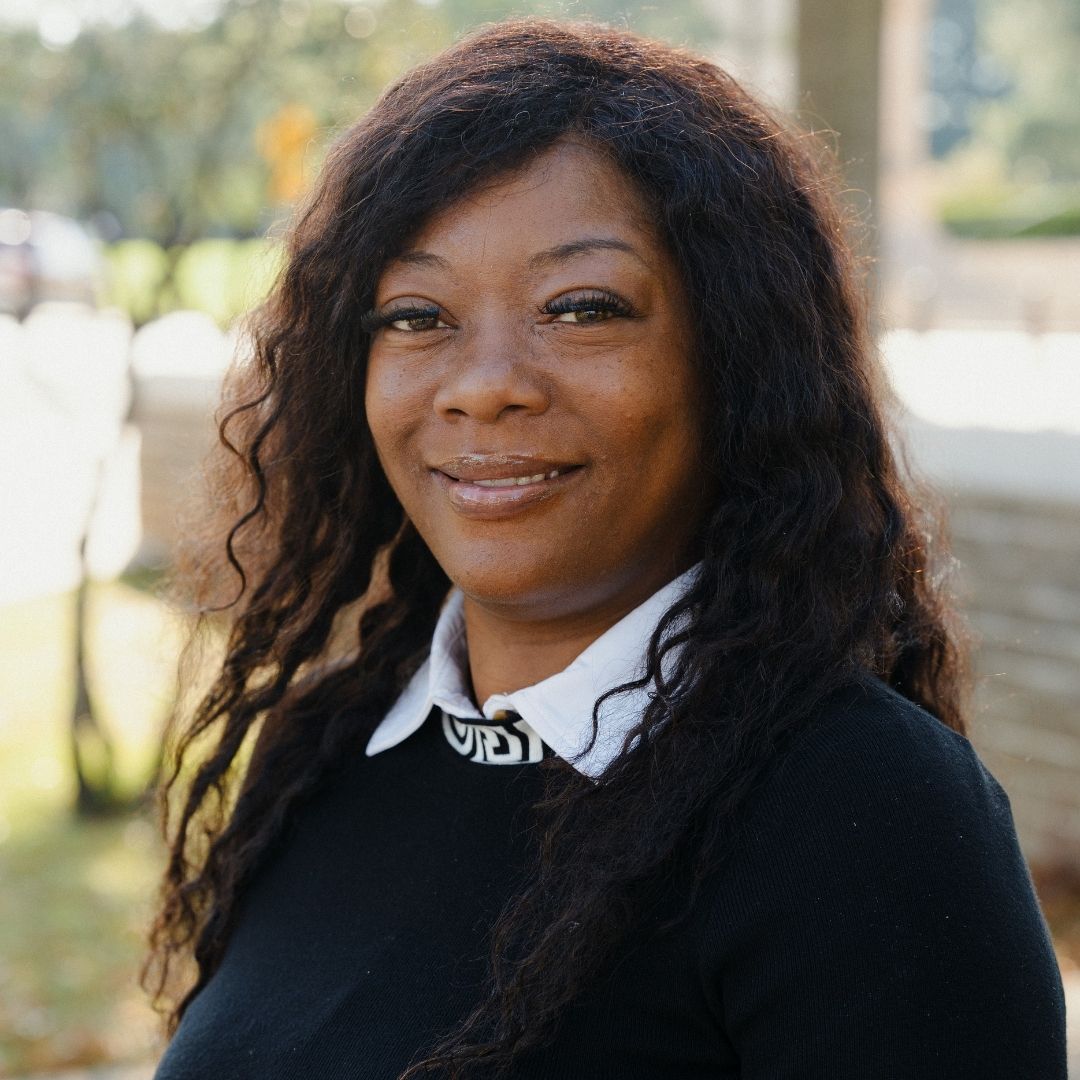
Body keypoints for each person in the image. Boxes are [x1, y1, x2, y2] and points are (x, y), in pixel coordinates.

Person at [146, 18, 1067, 1080]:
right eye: (415, 315)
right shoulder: (325, 751)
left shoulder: (866, 820)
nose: (483, 381)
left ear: (734, 362)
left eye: (580, 309)